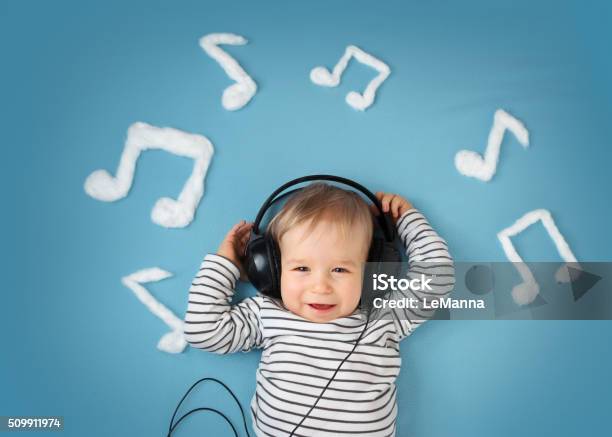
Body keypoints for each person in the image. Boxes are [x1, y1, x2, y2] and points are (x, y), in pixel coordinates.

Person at [183, 182, 455, 436]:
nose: (321, 286)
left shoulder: (383, 317)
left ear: (374, 268)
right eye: (302, 268)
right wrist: (225, 264)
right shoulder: (267, 313)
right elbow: (203, 332)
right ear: (270, 269)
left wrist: (406, 220)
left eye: (340, 269)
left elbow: (438, 278)